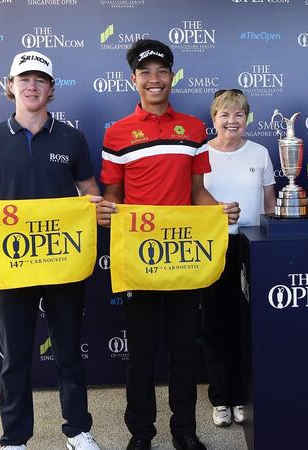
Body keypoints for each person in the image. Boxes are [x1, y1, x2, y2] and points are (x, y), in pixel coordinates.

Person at [0, 51, 107, 450]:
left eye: (40, 80)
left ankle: (77, 431)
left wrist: (96, 206)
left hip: (62, 260)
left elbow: (90, 191)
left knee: (69, 352)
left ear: (51, 89)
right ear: (10, 86)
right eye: (24, 79)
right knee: (14, 358)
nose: (32, 86)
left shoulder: (72, 138)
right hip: (14, 264)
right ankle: (15, 438)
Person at [97, 39, 240, 450]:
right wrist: (104, 211)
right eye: (146, 73)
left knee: (182, 353)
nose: (154, 80)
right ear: (134, 80)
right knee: (140, 355)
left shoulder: (194, 128)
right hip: (140, 261)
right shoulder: (118, 133)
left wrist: (218, 211)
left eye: (162, 72)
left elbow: (198, 190)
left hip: (182, 257)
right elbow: (113, 196)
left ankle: (185, 432)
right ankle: (141, 435)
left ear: (172, 77)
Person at [200, 89, 276, 427]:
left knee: (249, 324)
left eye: (239, 115)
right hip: (213, 248)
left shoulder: (259, 153)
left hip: (253, 248)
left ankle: (244, 396)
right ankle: (221, 397)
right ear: (213, 118)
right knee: (216, 324)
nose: (232, 121)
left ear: (247, 118)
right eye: (224, 115)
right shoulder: (201, 154)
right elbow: (191, 200)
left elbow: (270, 204)